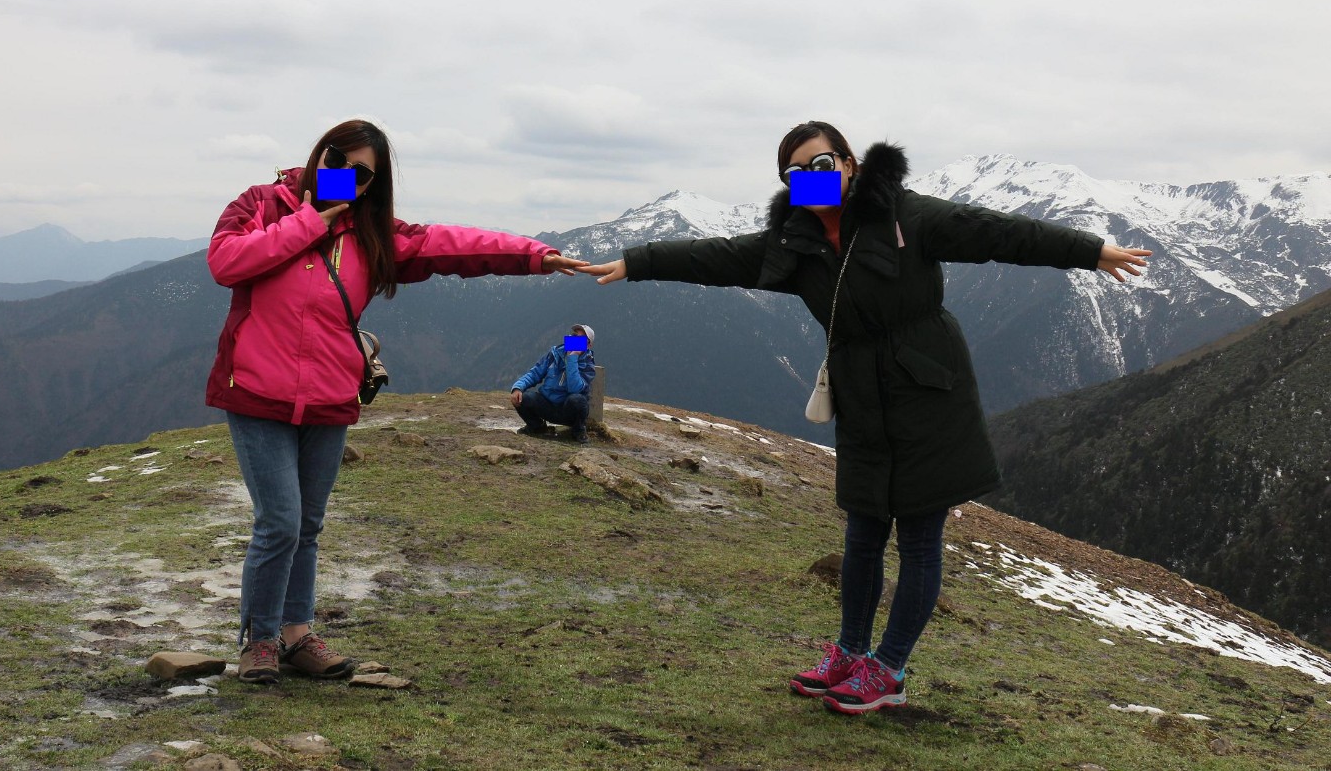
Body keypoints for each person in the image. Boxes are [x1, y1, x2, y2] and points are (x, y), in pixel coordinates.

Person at [578, 121, 1150, 715]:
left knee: (921, 540)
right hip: (860, 396)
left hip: (930, 391)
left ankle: (890, 669)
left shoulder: (907, 216)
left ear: (849, 164)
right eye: (797, 173)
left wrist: (1090, 251)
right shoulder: (793, 244)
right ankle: (851, 654)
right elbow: (716, 257)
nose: (812, 179)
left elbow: (998, 234)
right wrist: (634, 261)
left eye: (822, 165)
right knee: (863, 531)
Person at [206, 119, 588, 686]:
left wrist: (536, 255)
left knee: (307, 524)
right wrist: (313, 220)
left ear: (374, 185)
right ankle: (259, 640)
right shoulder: (262, 205)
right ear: (320, 153)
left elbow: (456, 246)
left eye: (364, 173)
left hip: (330, 393)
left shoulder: (375, 235)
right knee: (280, 521)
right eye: (340, 159)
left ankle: (295, 634)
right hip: (258, 390)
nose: (348, 175)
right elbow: (227, 263)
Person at [511, 323, 597, 443]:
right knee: (524, 397)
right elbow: (535, 373)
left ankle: (578, 431)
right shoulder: (555, 354)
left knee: (578, 400)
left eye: (581, 339)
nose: (576, 339)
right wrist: (517, 387)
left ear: (588, 345)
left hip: (568, 410)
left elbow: (575, 389)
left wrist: (572, 358)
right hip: (547, 404)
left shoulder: (588, 365)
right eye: (574, 335)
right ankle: (537, 427)